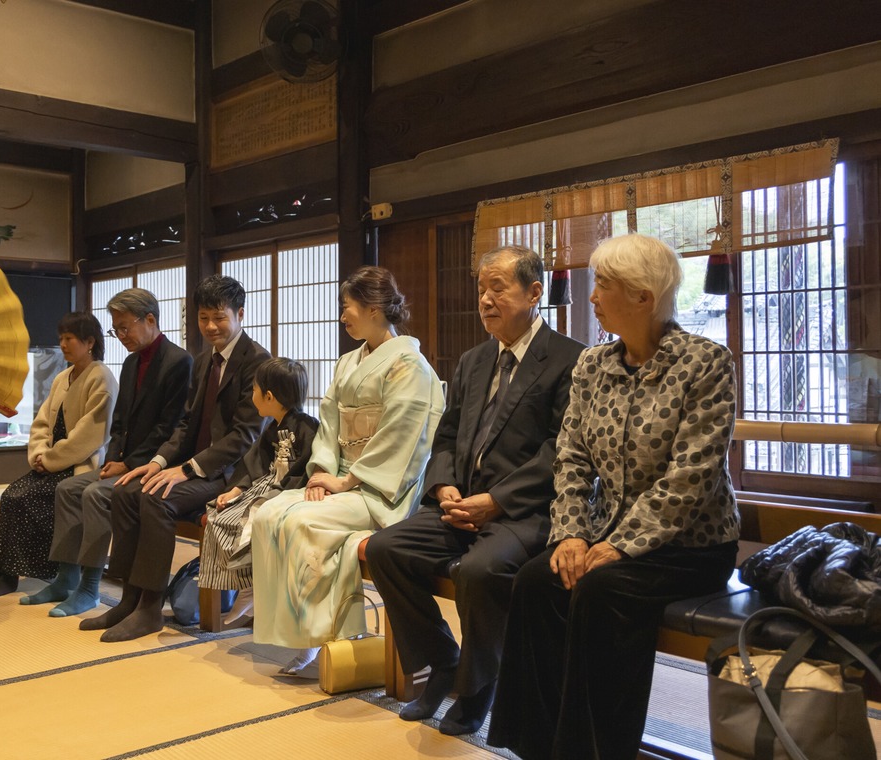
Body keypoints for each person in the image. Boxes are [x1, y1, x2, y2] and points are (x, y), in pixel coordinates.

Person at [487, 234, 741, 760]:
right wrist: (572, 534)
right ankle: (536, 745)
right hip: (605, 538)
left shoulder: (705, 363)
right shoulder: (593, 365)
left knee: (602, 591)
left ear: (643, 297)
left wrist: (619, 546)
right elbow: (572, 457)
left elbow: (690, 476)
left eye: (603, 284)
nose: (592, 295)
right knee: (537, 580)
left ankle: (596, 751)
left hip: (689, 546)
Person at [365, 245, 585, 735]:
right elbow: (446, 433)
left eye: (498, 288)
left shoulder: (571, 360)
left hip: (523, 512)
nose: (485, 299)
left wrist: (497, 502)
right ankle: (444, 661)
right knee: (386, 548)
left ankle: (477, 686)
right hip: (460, 504)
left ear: (534, 292)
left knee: (481, 571)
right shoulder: (472, 360)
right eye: (481, 288)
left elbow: (562, 450)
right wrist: (443, 486)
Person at [251, 266, 445, 677]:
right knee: (269, 514)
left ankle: (329, 634)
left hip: (382, 490)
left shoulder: (410, 365)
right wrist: (322, 473)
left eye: (348, 307)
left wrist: (346, 481)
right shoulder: (346, 363)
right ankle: (306, 634)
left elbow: (402, 436)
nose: (343, 317)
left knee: (304, 523)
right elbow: (329, 427)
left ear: (374, 309)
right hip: (341, 481)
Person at [83, 275, 271, 642]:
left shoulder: (258, 363)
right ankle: (130, 598)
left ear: (240, 314)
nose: (211, 326)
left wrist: (186, 470)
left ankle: (151, 608)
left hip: (230, 474)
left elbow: (244, 435)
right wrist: (157, 462)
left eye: (219, 317)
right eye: (203, 318)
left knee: (155, 497)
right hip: (193, 465)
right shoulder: (203, 361)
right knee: (125, 490)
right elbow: (185, 424)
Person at [18, 288, 191, 616]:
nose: (121, 336)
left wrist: (129, 464)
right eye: (117, 329)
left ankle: (89, 587)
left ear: (150, 319)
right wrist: (114, 458)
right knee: (67, 488)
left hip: (155, 466)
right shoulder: (129, 363)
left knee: (95, 494)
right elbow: (119, 422)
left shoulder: (178, 361)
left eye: (125, 327)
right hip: (124, 462)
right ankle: (66, 577)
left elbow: (168, 429)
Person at [0, 312, 118, 609]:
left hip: (79, 466)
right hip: (50, 462)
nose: (62, 344)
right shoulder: (63, 377)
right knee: (11, 496)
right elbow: (42, 422)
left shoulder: (101, 376)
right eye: (60, 338)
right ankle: (4, 573)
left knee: (29, 498)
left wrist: (51, 461)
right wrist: (38, 454)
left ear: (89, 342)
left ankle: (58, 575)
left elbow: (91, 435)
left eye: (69, 339)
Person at [197, 357, 320, 627]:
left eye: (253, 389)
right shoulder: (271, 429)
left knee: (248, 520)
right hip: (265, 485)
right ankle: (245, 584)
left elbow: (304, 469)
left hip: (289, 490)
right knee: (217, 517)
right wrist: (236, 490)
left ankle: (252, 587)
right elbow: (254, 465)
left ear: (269, 396)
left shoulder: (308, 427)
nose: (251, 394)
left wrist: (280, 490)